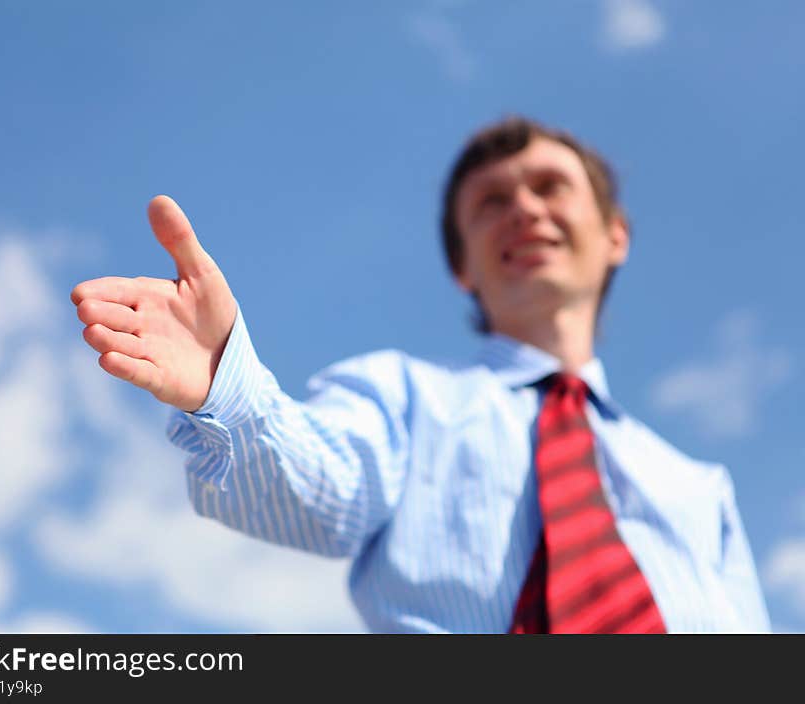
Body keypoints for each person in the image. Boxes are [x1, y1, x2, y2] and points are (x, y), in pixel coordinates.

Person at [71, 116, 771, 633]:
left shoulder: (701, 490)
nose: (524, 208)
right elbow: (322, 491)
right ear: (463, 267)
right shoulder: (403, 396)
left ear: (615, 234)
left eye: (551, 187)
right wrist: (224, 378)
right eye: (491, 202)